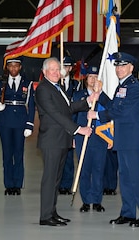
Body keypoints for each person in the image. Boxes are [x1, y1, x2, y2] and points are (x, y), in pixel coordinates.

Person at [88, 52, 139, 228]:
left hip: (133, 139)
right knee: (125, 177)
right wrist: (100, 94)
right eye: (117, 66)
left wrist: (97, 115)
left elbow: (122, 112)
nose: (119, 69)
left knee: (137, 177)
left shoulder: (134, 87)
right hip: (123, 138)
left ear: (131, 68)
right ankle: (128, 213)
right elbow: (114, 105)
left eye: (123, 66)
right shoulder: (122, 86)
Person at [35, 57, 96, 227]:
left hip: (61, 139)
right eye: (52, 70)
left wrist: (87, 102)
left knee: (56, 179)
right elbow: (56, 114)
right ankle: (45, 216)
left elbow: (67, 107)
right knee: (50, 179)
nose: (56, 72)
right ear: (45, 72)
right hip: (52, 140)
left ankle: (52, 212)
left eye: (57, 69)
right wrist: (78, 129)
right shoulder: (43, 89)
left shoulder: (57, 87)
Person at [0, 57, 35, 196]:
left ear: (20, 67)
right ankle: (8, 184)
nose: (13, 69)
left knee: (18, 153)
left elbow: (31, 105)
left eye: (16, 66)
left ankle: (17, 184)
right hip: (4, 120)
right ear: (7, 68)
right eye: (11, 66)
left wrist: (30, 124)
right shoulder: (1, 84)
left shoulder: (27, 84)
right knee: (6, 153)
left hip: (20, 121)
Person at [73, 66, 108, 213]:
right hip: (82, 136)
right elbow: (72, 117)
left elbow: (111, 116)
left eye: (96, 77)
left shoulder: (105, 97)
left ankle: (97, 200)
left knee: (99, 169)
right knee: (84, 169)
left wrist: (110, 138)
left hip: (100, 137)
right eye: (91, 77)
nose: (93, 80)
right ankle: (86, 200)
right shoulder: (78, 96)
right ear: (85, 79)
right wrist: (72, 137)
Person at [58, 56, 81, 195]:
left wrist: (77, 128)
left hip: (71, 125)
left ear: (71, 68)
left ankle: (66, 185)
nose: (64, 69)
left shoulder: (77, 85)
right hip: (58, 125)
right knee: (57, 157)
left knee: (69, 158)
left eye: (66, 66)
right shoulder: (54, 84)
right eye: (61, 66)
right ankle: (58, 184)